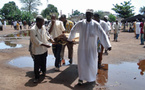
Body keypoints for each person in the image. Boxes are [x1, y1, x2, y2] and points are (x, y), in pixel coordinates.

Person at [67, 9, 111, 85]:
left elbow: (102, 34)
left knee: (91, 63)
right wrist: (70, 39)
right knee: (81, 63)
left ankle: (92, 78)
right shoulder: (80, 23)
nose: (88, 16)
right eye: (87, 14)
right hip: (82, 48)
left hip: (92, 49)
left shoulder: (96, 24)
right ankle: (81, 78)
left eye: (90, 14)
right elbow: (73, 30)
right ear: (85, 15)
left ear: (92, 16)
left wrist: (108, 45)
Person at [30, 15, 51, 83]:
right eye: (42, 22)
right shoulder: (33, 30)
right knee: (37, 64)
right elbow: (35, 41)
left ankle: (44, 72)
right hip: (37, 50)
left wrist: (50, 39)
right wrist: (45, 45)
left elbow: (46, 35)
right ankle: (36, 77)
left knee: (44, 61)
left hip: (44, 49)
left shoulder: (43, 27)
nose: (43, 23)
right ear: (38, 22)